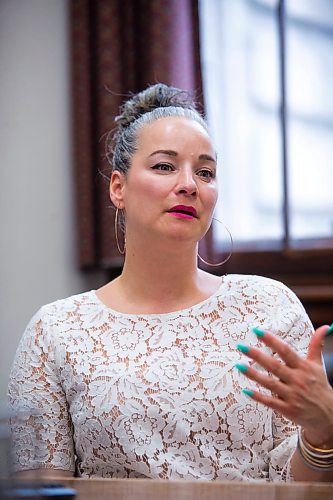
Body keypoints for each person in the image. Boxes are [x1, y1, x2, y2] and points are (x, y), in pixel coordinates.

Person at [8, 83, 333, 482]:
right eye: (164, 166)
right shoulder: (56, 330)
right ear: (118, 188)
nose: (189, 185)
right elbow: (39, 488)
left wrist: (322, 434)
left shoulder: (268, 305)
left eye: (205, 172)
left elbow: (299, 487)